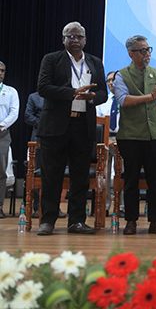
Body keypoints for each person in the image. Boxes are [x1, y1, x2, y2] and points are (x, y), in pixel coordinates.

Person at [36, 22, 107, 235]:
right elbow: (43, 87)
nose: (75, 40)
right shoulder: (51, 59)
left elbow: (103, 93)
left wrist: (92, 97)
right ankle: (47, 221)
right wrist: (73, 93)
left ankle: (76, 221)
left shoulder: (95, 62)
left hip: (82, 126)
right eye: (70, 36)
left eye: (79, 36)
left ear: (85, 40)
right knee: (52, 175)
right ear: (63, 39)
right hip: (55, 126)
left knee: (80, 177)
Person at [113, 35, 156, 235]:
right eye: (142, 50)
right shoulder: (121, 75)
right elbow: (123, 100)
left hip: (154, 134)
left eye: (148, 50)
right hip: (130, 135)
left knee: (155, 180)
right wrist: (151, 96)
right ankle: (131, 221)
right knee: (131, 179)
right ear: (131, 53)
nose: (147, 54)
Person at [25, 91, 67, 219]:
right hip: (38, 136)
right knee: (37, 172)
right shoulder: (33, 97)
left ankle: (55, 207)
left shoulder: (58, 95)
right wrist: (44, 122)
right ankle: (37, 207)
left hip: (57, 135)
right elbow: (28, 116)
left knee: (55, 172)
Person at [95, 71, 121, 215]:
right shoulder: (103, 101)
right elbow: (98, 122)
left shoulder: (126, 99)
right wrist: (106, 139)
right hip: (105, 139)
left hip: (123, 139)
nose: (111, 83)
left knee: (122, 173)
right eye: (108, 81)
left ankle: (121, 207)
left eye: (113, 80)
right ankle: (104, 207)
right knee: (104, 173)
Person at [0, 61, 19, 219]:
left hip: (2, 134)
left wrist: (1, 125)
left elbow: (14, 113)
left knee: (1, 171)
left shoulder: (11, 91)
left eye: (3, 70)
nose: (0, 73)